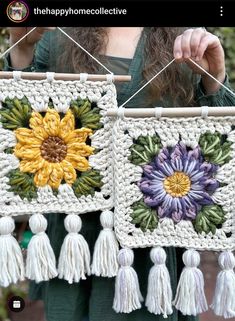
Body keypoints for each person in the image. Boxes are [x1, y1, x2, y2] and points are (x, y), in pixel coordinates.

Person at [6, 27, 235, 321]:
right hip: (77, 238)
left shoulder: (186, 39)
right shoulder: (57, 36)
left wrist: (214, 74)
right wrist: (21, 47)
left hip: (151, 240)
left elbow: (219, 145)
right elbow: (21, 117)